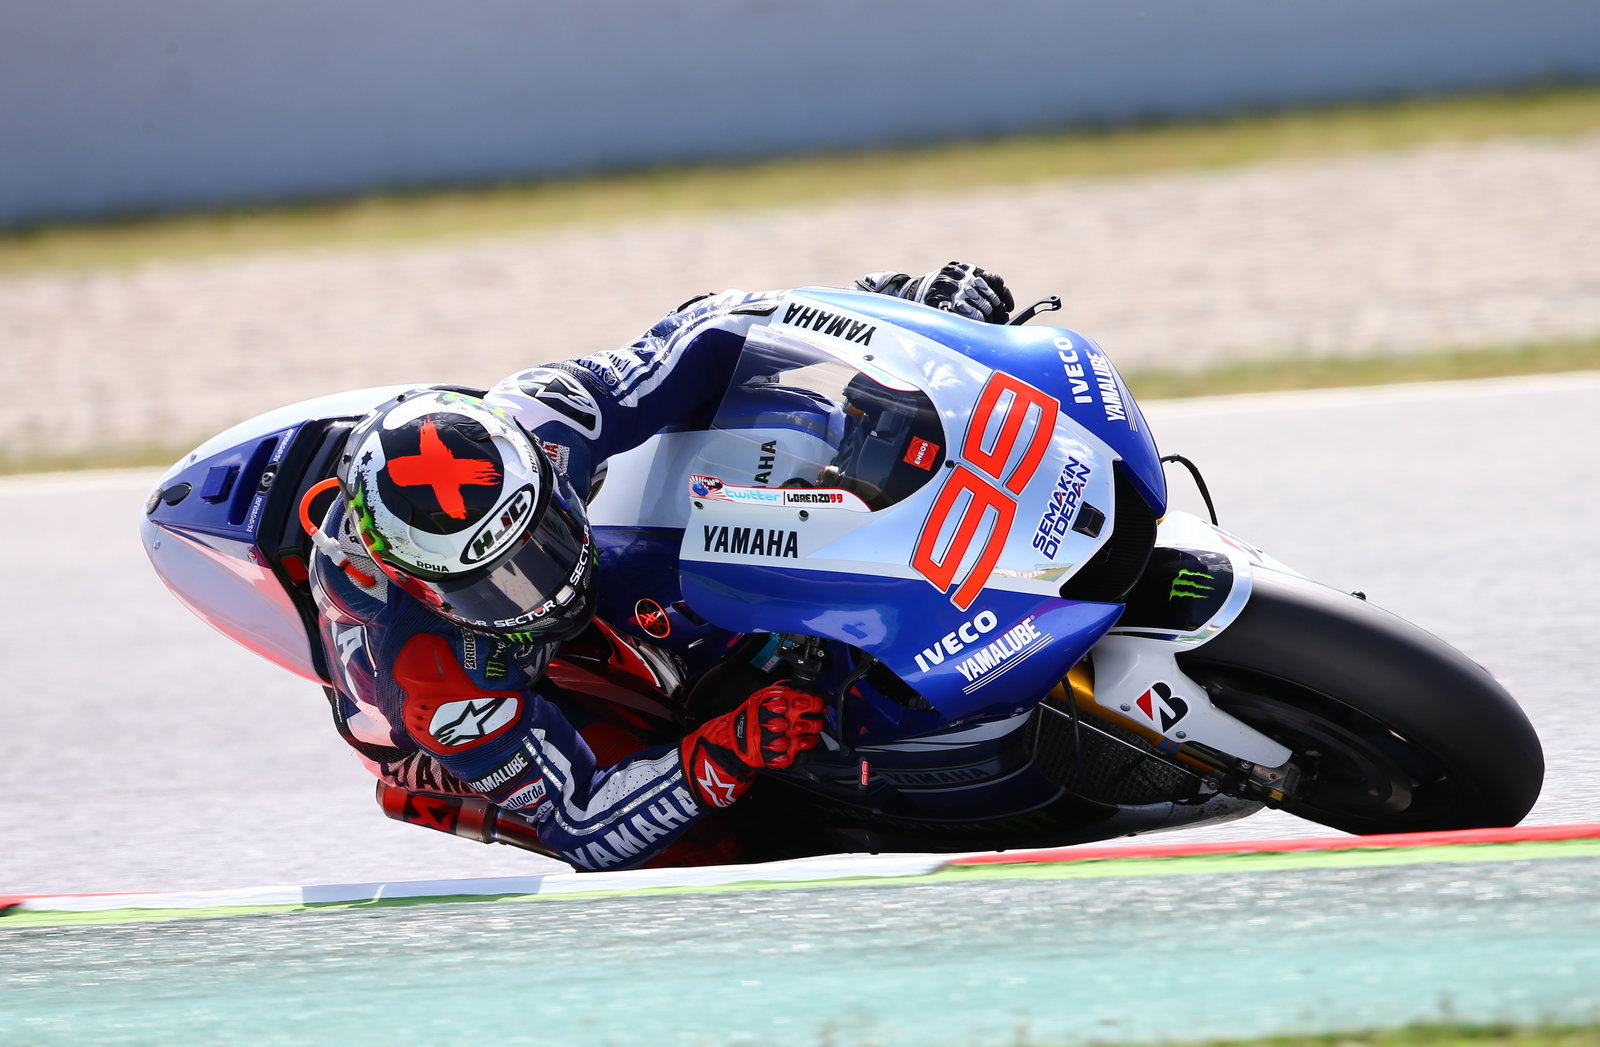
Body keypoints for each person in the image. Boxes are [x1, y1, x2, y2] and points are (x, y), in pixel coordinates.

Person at [309, 263, 1015, 871]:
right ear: (426, 589)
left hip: (612, 528)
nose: (546, 583)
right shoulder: (436, 676)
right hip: (471, 721)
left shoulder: (543, 414)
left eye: (543, 537)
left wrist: (894, 314)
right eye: (501, 581)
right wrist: (723, 751)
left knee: (740, 401)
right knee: (718, 845)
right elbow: (583, 822)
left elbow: (710, 327)